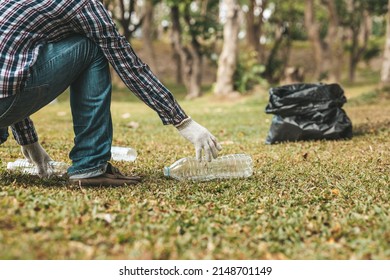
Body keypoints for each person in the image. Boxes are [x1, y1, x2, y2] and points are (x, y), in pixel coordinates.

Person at [0, 0, 222, 186]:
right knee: (93, 46)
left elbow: (12, 68)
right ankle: (90, 164)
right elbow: (129, 66)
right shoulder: (83, 4)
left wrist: (29, 142)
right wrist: (183, 122)